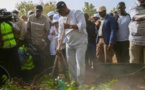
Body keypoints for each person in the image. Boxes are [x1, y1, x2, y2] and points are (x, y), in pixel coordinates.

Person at [56, 1, 88, 85]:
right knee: (71, 64)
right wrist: (58, 46)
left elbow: (83, 25)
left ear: (65, 8)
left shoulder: (77, 12)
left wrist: (69, 26)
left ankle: (81, 83)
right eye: (58, 11)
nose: (59, 13)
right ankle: (73, 82)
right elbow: (60, 34)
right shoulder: (61, 19)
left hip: (81, 42)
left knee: (80, 63)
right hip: (69, 44)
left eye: (60, 11)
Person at [27, 5, 50, 74]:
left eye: (39, 11)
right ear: (35, 11)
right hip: (32, 42)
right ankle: (34, 74)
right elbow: (28, 28)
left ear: (41, 12)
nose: (37, 12)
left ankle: (42, 73)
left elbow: (47, 30)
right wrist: (29, 38)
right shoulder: (31, 17)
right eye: (36, 11)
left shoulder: (45, 19)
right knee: (33, 58)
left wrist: (43, 40)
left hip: (41, 43)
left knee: (41, 58)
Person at [0, 10, 21, 77]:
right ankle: (6, 78)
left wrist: (10, 22)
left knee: (16, 62)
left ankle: (18, 77)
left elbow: (18, 29)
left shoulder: (9, 23)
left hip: (13, 46)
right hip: (4, 48)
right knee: (5, 64)